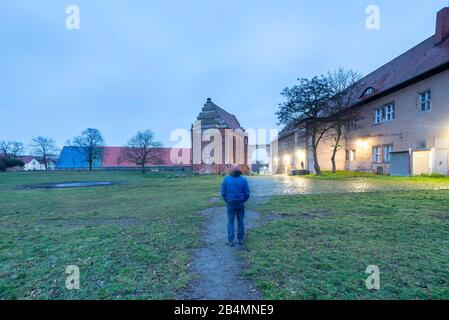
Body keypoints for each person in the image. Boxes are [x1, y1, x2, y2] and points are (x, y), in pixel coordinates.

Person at [221, 164, 250, 247]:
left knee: (230, 221)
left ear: (231, 170)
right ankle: (240, 239)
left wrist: (227, 200)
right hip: (240, 203)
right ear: (239, 170)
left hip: (230, 203)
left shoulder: (226, 179)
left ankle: (230, 240)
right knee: (240, 221)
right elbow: (247, 193)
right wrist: (243, 200)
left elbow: (223, 193)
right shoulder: (243, 180)